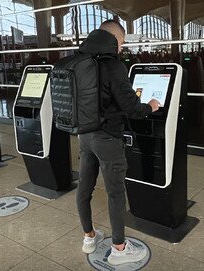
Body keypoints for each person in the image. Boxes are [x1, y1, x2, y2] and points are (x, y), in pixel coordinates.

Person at [76, 20, 160, 266]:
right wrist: (151, 106)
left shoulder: (81, 60)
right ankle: (119, 250)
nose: (121, 49)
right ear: (115, 39)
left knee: (85, 186)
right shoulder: (113, 64)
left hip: (85, 134)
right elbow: (132, 107)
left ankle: (89, 238)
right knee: (115, 193)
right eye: (121, 43)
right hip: (107, 137)